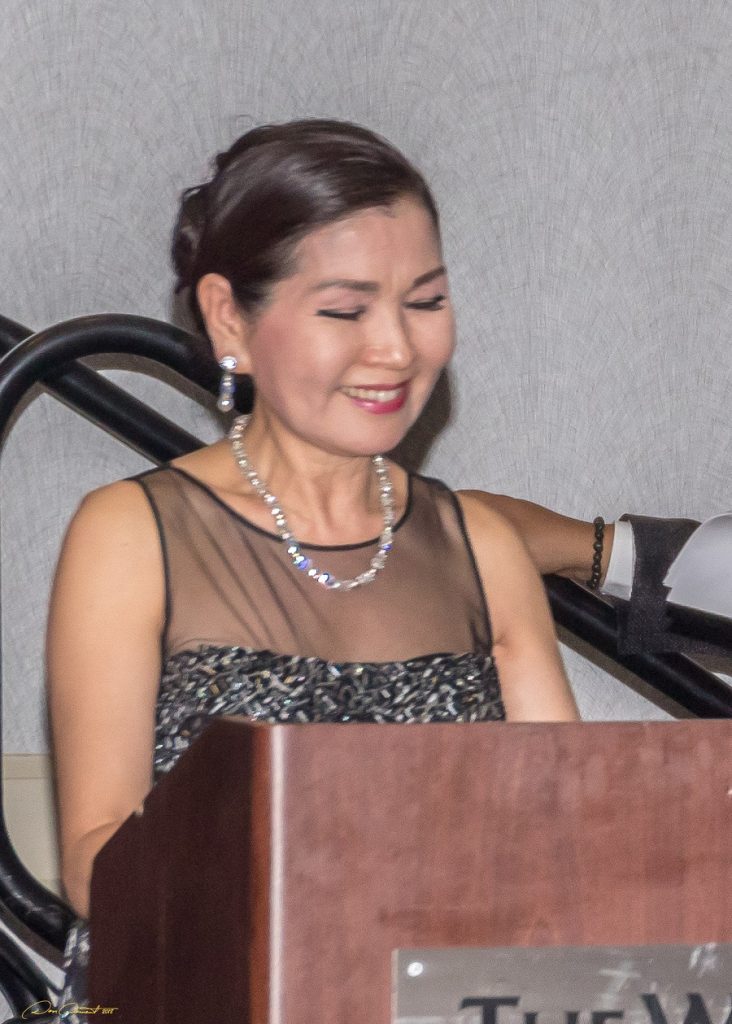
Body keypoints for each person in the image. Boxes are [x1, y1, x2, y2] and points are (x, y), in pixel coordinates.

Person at [47, 118, 581, 1009]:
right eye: (346, 311)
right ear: (230, 318)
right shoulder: (133, 534)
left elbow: (580, 831)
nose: (397, 349)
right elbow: (97, 859)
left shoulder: (481, 548)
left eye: (426, 302)